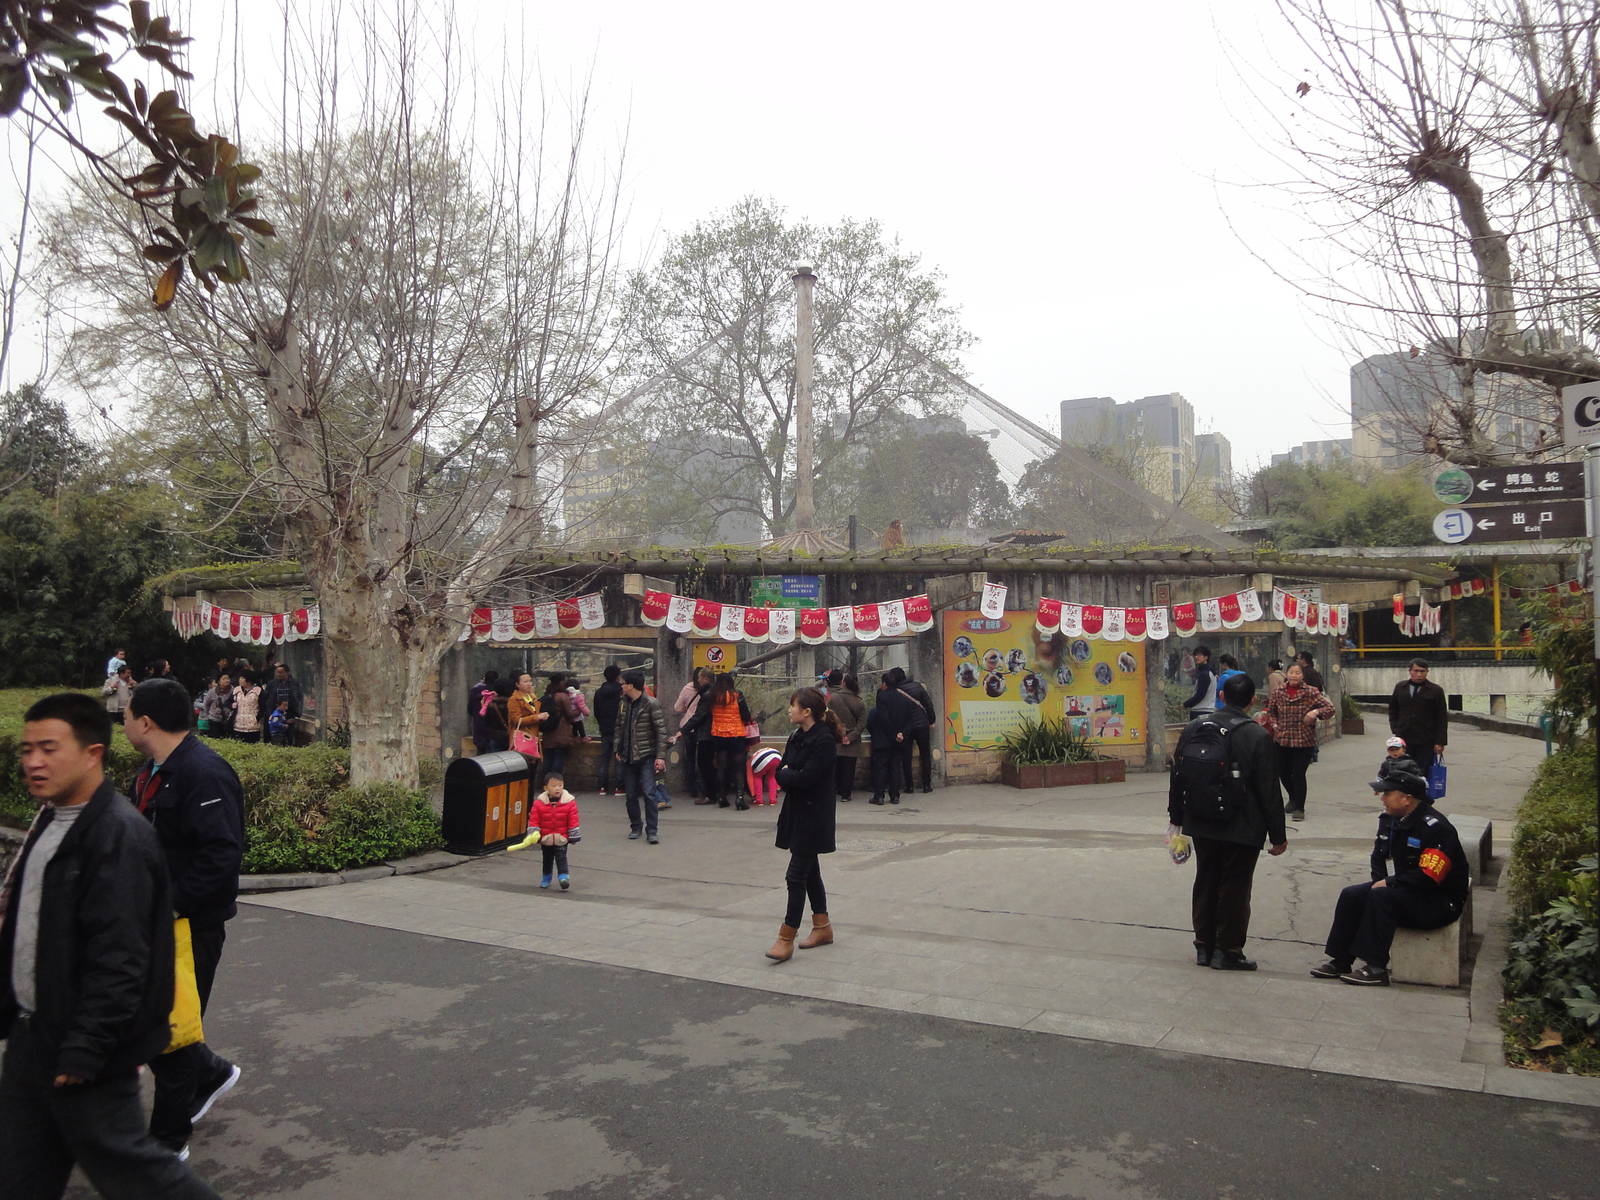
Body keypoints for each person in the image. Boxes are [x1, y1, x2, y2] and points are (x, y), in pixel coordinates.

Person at [1, 693, 221, 1198]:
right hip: (34, 1038)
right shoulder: (50, 822)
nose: (34, 761)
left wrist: (86, 1048)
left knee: (138, 1172)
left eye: (49, 748)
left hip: (83, 1050)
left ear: (91, 753)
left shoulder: (116, 835)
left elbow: (121, 959)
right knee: (20, 1175)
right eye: (27, 748)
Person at [125, 678, 245, 1160]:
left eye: (127, 715)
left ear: (146, 721)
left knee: (170, 1031)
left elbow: (221, 856)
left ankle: (167, 1146)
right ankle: (212, 1072)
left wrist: (172, 905)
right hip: (153, 921)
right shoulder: (154, 770)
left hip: (189, 925)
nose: (124, 722)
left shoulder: (204, 773)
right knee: (148, 1019)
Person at [1310, 759, 1469, 986]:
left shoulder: (1435, 828)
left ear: (1407, 798)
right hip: (1406, 890)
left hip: (1438, 901)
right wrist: (1383, 881)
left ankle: (1375, 967)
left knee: (1381, 896)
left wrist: (1390, 883)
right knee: (1352, 894)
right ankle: (1340, 959)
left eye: (1387, 794)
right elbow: (1379, 858)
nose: (1382, 798)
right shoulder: (1392, 821)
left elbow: (1429, 876)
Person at [1168, 673, 1288, 970]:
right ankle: (1228, 950)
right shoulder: (1257, 735)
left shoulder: (1195, 727)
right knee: (1234, 887)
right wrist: (1278, 835)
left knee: (1206, 880)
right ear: (1252, 701)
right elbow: (1269, 790)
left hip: (1201, 821)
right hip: (1242, 826)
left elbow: (1178, 774)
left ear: (1221, 697)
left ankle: (1203, 947)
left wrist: (1176, 821)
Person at [766, 687, 842, 963]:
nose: (789, 710)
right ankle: (822, 927)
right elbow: (782, 770)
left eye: (793, 705)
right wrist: (788, 775)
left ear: (806, 711)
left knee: (795, 876)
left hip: (814, 815)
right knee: (810, 873)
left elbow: (806, 777)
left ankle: (786, 937)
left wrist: (788, 776)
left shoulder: (823, 740)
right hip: (797, 812)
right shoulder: (797, 736)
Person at [1261, 662, 1334, 822]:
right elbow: (1271, 712)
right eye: (1291, 672)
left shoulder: (1311, 692)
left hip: (1303, 739)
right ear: (1286, 674)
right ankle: (1293, 798)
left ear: (1302, 676)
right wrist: (1274, 725)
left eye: (1297, 673)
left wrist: (1315, 712)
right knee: (1283, 772)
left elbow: (1329, 709)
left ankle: (1299, 807)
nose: (1294, 675)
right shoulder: (1278, 691)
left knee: (1298, 774)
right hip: (1282, 738)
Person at [508, 772, 582, 890]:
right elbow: (534, 819)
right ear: (546, 788)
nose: (557, 788)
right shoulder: (539, 803)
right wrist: (534, 833)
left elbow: (573, 819)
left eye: (560, 785)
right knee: (547, 859)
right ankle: (546, 877)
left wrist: (573, 835)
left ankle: (563, 877)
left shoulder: (569, 803)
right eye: (553, 786)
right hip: (546, 837)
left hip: (561, 837)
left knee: (561, 857)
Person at [616, 669, 666, 843]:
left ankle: (652, 830)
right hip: (627, 756)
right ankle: (635, 826)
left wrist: (660, 756)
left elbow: (661, 731)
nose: (621, 686)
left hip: (646, 755)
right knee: (630, 795)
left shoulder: (651, 703)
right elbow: (619, 727)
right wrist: (618, 748)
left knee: (649, 793)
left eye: (623, 683)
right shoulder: (623, 704)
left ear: (631, 685)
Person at [1388, 658, 1447, 776]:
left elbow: (1442, 717)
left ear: (1427, 672)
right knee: (1403, 768)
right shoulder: (1400, 687)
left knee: (1422, 771)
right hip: (1404, 736)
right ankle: (1406, 793)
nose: (1419, 674)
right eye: (1416, 671)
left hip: (1426, 738)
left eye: (1422, 671)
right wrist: (1395, 728)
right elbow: (1393, 709)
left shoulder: (1436, 690)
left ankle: (1420, 792)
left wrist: (1440, 742)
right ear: (1410, 671)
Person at [703, 673, 754, 810]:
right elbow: (746, 716)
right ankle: (739, 798)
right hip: (736, 735)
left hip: (719, 735)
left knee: (721, 766)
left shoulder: (712, 696)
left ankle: (722, 797)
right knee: (738, 768)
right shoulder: (738, 695)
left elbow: (707, 713)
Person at [867, 672, 913, 805]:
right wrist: (901, 734)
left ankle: (879, 796)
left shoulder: (882, 697)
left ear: (884, 684)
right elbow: (909, 720)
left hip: (884, 738)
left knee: (881, 768)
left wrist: (893, 734)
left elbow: (883, 718)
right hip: (899, 739)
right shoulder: (904, 698)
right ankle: (895, 796)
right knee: (895, 767)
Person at [890, 667, 936, 794]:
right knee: (925, 754)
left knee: (906, 756)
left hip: (906, 727)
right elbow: (928, 704)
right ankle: (927, 785)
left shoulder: (895, 691)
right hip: (922, 725)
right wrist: (931, 720)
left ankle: (909, 786)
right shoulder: (918, 686)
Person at [671, 667, 713, 802]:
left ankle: (694, 789)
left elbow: (678, 708)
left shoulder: (690, 689)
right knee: (705, 761)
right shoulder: (714, 691)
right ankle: (705, 791)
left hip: (690, 728)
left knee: (692, 759)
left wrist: (682, 730)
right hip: (706, 731)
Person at [826, 671, 866, 803]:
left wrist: (838, 733)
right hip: (852, 739)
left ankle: (834, 790)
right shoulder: (860, 702)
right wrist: (851, 736)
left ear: (844, 683)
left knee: (836, 765)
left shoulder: (833, 698)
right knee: (849, 767)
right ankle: (846, 794)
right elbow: (862, 724)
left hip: (836, 737)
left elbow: (828, 718)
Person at [592, 665, 625, 796]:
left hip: (605, 729)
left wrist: (602, 723)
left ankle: (602, 787)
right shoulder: (621, 691)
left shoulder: (599, 692)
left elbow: (596, 712)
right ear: (618, 676)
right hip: (619, 729)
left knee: (604, 758)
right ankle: (619, 787)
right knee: (619, 757)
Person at [539, 674, 577, 781]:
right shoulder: (562, 696)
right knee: (558, 757)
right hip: (560, 732)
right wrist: (579, 711)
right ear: (560, 682)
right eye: (563, 681)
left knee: (548, 758)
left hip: (548, 733)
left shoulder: (547, 695)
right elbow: (570, 714)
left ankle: (545, 782)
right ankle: (555, 781)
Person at [469, 669, 500, 756]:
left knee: (480, 755)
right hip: (493, 731)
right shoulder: (496, 692)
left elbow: (470, 709)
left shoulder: (475, 691)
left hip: (479, 727)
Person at [1181, 646, 1215, 719]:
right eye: (1195, 655)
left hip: (1201, 711)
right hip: (1208, 710)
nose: (1196, 657)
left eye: (1199, 655)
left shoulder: (1204, 674)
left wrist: (1185, 705)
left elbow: (1200, 694)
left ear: (1206, 657)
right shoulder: (1210, 672)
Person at [199, 672, 235, 739]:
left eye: (228, 678)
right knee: (215, 740)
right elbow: (206, 704)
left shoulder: (233, 691)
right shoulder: (212, 691)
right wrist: (209, 715)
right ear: (219, 681)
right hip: (214, 720)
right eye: (224, 679)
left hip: (228, 721)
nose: (227, 680)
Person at [232, 670, 263, 744]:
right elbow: (229, 702)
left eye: (242, 678)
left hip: (253, 726)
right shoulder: (236, 690)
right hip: (238, 725)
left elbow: (263, 707)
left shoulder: (258, 691)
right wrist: (232, 705)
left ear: (248, 680)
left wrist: (257, 718)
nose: (240, 680)